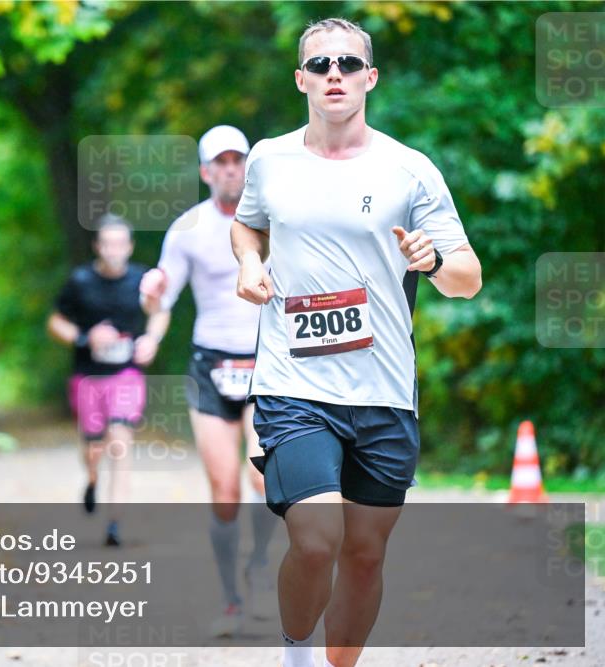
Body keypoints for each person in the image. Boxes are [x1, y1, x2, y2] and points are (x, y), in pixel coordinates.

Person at [231, 18, 482, 667]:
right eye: (320, 64)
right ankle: (295, 656)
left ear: (370, 76)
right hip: (294, 385)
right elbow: (247, 227)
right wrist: (250, 265)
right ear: (301, 80)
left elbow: (468, 277)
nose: (333, 73)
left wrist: (429, 261)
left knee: (365, 555)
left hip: (385, 390)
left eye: (347, 62)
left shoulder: (409, 169)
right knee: (317, 538)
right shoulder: (269, 160)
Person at [139, 125, 280, 637]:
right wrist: (151, 299)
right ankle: (230, 598)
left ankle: (260, 563)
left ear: (248, 167)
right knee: (224, 491)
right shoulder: (187, 230)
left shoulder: (273, 224)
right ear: (205, 172)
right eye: (219, 162)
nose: (229, 169)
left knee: (263, 477)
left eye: (237, 160)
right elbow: (161, 300)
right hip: (209, 366)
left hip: (264, 362)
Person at [48, 214, 167, 547]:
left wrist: (151, 339)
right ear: (97, 247)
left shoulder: (142, 279)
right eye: (107, 243)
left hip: (126, 375)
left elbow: (160, 311)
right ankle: (91, 478)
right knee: (94, 449)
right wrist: (86, 338)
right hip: (87, 377)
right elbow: (56, 322)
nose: (114, 249)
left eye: (120, 243)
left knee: (120, 438)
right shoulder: (80, 281)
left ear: (129, 247)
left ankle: (115, 523)